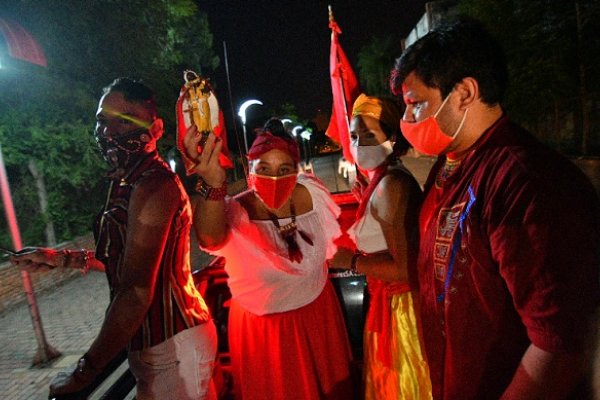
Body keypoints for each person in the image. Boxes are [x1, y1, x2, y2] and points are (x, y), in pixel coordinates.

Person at [389, 17, 600, 399]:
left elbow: (557, 344)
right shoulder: (451, 161)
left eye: (416, 105)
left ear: (465, 92)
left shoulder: (526, 182)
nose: (407, 121)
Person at [11, 77, 217, 400]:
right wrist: (58, 258)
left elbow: (135, 292)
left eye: (124, 121)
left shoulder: (154, 186)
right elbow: (121, 262)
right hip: (155, 348)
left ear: (157, 128)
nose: (108, 133)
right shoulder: (126, 182)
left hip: (173, 346)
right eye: (102, 121)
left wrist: (84, 371)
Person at [183, 117, 354, 400]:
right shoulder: (233, 212)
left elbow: (335, 242)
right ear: (250, 169)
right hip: (266, 336)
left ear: (296, 169)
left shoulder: (313, 195)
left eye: (283, 169)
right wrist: (211, 183)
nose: (274, 178)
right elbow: (209, 239)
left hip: (320, 319)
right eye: (263, 168)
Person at [328, 94, 432, 399]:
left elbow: (404, 269)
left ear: (392, 136)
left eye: (370, 135)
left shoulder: (391, 186)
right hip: (387, 303)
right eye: (354, 136)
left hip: (401, 312)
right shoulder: (383, 180)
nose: (360, 144)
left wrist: (350, 261)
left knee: (403, 387)